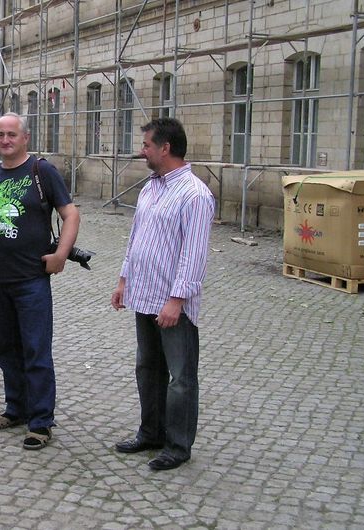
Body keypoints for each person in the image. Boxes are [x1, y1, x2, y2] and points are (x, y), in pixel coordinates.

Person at [0, 113, 80, 450]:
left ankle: (41, 421)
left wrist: (61, 254)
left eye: (11, 134)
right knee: (5, 350)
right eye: (0, 134)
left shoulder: (41, 172)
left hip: (31, 281)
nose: (5, 140)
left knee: (36, 350)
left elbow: (71, 214)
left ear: (25, 138)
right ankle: (15, 407)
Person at [111, 117, 215, 471]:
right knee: (147, 368)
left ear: (165, 148)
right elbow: (136, 239)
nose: (142, 151)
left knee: (180, 378)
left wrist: (177, 300)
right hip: (144, 294)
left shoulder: (195, 195)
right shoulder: (149, 188)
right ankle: (151, 433)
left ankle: (177, 445)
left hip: (173, 304)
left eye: (146, 145)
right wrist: (124, 280)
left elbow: (194, 255)